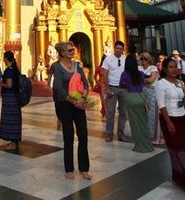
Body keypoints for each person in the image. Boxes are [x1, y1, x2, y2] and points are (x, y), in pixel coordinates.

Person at [156, 57, 185, 195]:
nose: (174, 69)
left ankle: (179, 177)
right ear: (164, 69)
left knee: (183, 150)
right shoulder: (161, 84)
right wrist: (168, 122)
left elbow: (184, 100)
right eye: (170, 67)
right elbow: (161, 105)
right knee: (175, 150)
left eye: (175, 66)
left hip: (182, 119)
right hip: (169, 119)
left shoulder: (180, 82)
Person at [50, 41, 91, 180]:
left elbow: (85, 83)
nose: (73, 52)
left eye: (73, 50)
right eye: (70, 50)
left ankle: (84, 168)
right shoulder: (57, 67)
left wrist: (83, 99)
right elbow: (59, 89)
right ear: (62, 53)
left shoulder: (78, 65)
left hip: (79, 102)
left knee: (83, 135)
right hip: (65, 103)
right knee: (68, 136)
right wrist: (74, 102)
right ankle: (69, 169)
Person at [120, 54, 153, 153]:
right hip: (140, 97)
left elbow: (121, 85)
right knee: (143, 123)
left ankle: (139, 146)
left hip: (131, 98)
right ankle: (147, 145)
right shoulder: (141, 73)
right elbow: (145, 81)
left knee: (135, 124)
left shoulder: (125, 74)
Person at [101, 40, 129, 142]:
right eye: (117, 48)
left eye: (121, 49)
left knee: (123, 112)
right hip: (112, 87)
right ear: (114, 48)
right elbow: (105, 73)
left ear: (123, 50)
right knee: (111, 112)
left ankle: (121, 133)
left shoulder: (125, 59)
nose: (119, 50)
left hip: (123, 88)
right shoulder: (108, 59)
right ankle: (109, 134)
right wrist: (107, 88)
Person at [0, 50, 22, 150]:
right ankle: (15, 141)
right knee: (15, 120)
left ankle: (13, 142)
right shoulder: (15, 69)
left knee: (10, 120)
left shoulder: (9, 71)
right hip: (15, 97)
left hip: (10, 98)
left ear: (6, 59)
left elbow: (9, 85)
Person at [138, 52, 160, 146]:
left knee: (152, 114)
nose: (143, 61)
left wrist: (142, 80)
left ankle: (153, 136)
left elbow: (151, 80)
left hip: (152, 93)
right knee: (143, 114)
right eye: (141, 59)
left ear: (148, 59)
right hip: (142, 92)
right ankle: (144, 134)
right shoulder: (139, 68)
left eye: (145, 59)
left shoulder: (153, 68)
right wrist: (145, 79)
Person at [93, 55, 108, 119]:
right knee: (103, 100)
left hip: (108, 85)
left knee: (107, 100)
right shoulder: (99, 68)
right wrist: (97, 82)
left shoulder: (108, 68)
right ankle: (105, 113)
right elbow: (94, 76)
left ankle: (103, 111)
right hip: (101, 85)